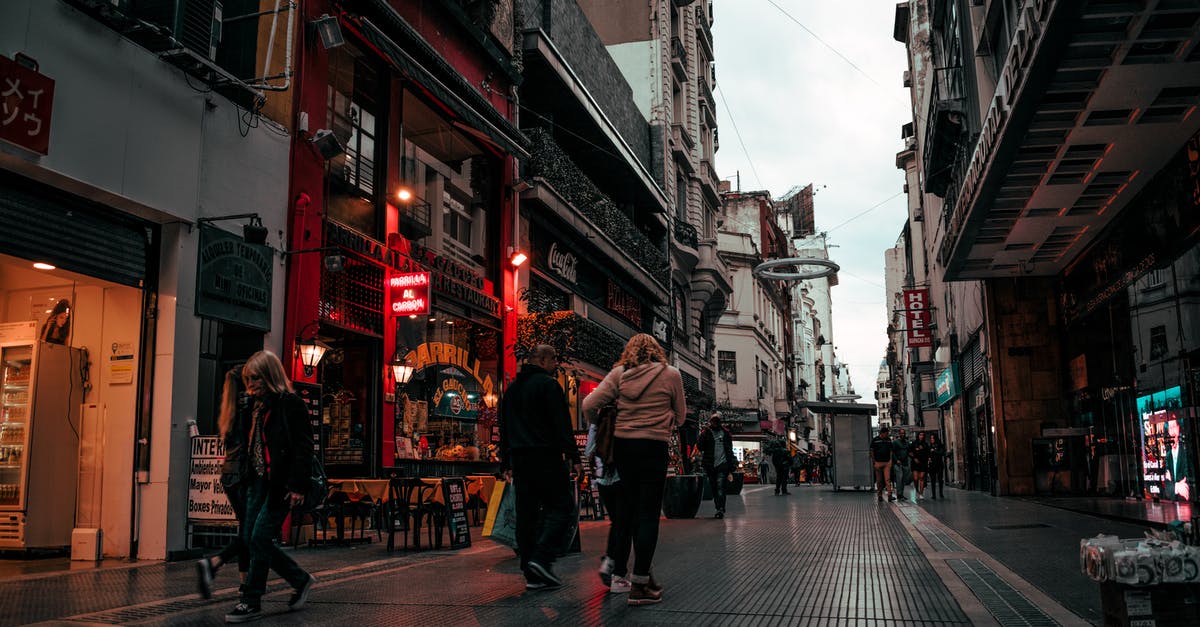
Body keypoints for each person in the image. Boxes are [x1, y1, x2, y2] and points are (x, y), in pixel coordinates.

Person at [581, 333, 686, 606]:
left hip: (624, 448)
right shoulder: (671, 374)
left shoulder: (619, 374)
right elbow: (683, 416)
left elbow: (589, 405)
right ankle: (640, 583)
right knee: (649, 514)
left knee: (629, 511)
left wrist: (606, 421)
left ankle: (637, 578)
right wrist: (668, 418)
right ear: (656, 351)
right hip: (654, 447)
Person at [225, 351, 316, 624]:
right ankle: (300, 579)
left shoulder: (291, 405)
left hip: (280, 485)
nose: (251, 385)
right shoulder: (251, 407)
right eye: (248, 380)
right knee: (253, 539)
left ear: (269, 376)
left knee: (259, 538)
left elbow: (303, 448)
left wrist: (298, 486)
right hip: (255, 482)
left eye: (255, 379)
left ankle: (251, 600)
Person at [499, 344, 581, 591]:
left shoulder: (512, 390)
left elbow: (505, 427)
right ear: (543, 359)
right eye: (554, 359)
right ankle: (541, 558)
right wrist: (574, 456)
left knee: (527, 515)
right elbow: (561, 424)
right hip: (546, 457)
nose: (556, 363)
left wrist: (506, 461)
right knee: (563, 507)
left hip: (521, 460)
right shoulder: (548, 385)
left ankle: (531, 572)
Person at [197, 367, 250, 599]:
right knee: (251, 530)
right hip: (243, 474)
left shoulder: (227, 410)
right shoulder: (245, 408)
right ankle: (215, 563)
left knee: (245, 528)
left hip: (228, 474)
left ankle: (244, 581)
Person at [583, 402, 627, 593]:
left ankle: (610, 561)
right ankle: (614, 568)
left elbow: (588, 451)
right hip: (620, 479)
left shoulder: (596, 424)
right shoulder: (623, 422)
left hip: (602, 481)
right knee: (623, 524)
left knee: (616, 522)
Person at [698, 413, 735, 519]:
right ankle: (718, 507)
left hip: (722, 465)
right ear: (710, 422)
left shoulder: (725, 434)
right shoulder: (706, 433)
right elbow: (700, 447)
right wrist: (703, 434)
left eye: (717, 421)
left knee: (720, 487)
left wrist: (731, 466)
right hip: (710, 465)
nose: (715, 423)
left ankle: (720, 509)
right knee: (714, 487)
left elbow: (729, 450)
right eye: (713, 421)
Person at [869, 427, 894, 502]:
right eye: (886, 433)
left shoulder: (888, 440)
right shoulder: (875, 440)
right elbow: (871, 451)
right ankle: (879, 495)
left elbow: (891, 450)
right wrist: (874, 461)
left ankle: (889, 495)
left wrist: (890, 460)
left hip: (887, 462)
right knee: (879, 480)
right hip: (878, 462)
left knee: (887, 479)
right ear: (882, 433)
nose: (887, 435)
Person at [893, 428, 913, 502]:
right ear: (899, 434)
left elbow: (909, 452)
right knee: (899, 479)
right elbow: (893, 453)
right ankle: (899, 494)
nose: (902, 435)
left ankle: (901, 494)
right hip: (898, 463)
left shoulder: (907, 443)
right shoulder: (895, 442)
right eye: (901, 433)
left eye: (903, 433)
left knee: (903, 480)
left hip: (905, 463)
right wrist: (896, 460)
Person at [910, 431, 930, 500]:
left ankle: (921, 493)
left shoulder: (925, 444)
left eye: (923, 435)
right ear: (918, 436)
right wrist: (914, 458)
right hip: (915, 463)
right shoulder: (914, 443)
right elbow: (910, 452)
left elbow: (928, 453)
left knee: (921, 478)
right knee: (915, 478)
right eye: (920, 435)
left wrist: (928, 459)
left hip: (923, 463)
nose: (921, 436)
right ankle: (917, 489)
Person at [928, 433, 947, 499]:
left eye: (932, 438)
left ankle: (941, 493)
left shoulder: (940, 446)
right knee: (932, 480)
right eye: (931, 438)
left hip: (939, 464)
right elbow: (928, 454)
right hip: (932, 465)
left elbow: (941, 453)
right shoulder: (930, 446)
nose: (931, 439)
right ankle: (933, 495)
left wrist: (934, 451)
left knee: (940, 479)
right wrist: (929, 458)